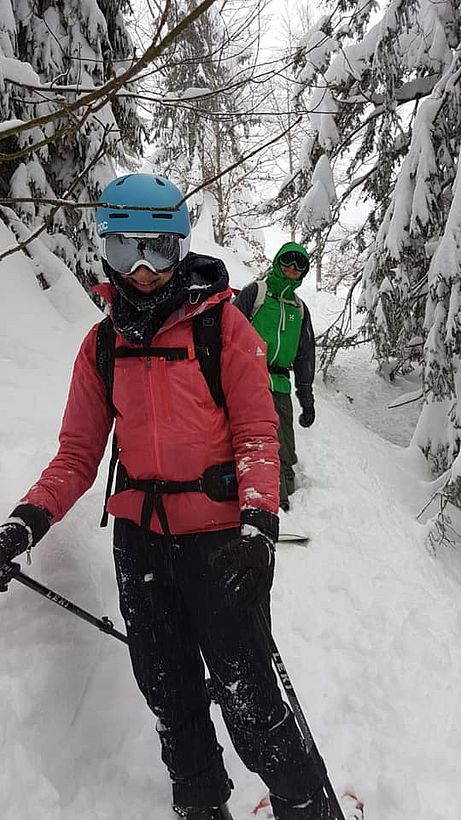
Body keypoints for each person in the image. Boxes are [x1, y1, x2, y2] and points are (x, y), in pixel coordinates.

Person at [0, 175, 332, 820]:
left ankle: (304, 805)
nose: (144, 269)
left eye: (157, 248)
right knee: (170, 695)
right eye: (127, 251)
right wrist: (25, 523)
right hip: (142, 545)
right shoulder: (101, 346)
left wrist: (260, 522)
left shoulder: (223, 328)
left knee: (249, 697)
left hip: (219, 542)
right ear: (105, 251)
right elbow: (76, 456)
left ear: (180, 248)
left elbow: (259, 433)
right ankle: (201, 807)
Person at [233, 243, 315, 512]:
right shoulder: (256, 293)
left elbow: (304, 356)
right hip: (249, 379)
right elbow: (228, 331)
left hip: (280, 383)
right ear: (278, 262)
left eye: (299, 265)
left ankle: (286, 491)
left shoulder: (299, 309)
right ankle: (270, 504)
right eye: (287, 262)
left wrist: (306, 399)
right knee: (257, 440)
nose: (292, 269)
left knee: (285, 448)